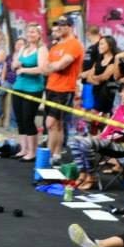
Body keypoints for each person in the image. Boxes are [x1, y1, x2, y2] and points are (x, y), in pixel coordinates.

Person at [68, 83, 124, 190]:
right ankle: (83, 172)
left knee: (86, 143)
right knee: (74, 140)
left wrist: (105, 138)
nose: (121, 94)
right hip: (109, 141)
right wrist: (101, 135)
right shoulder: (120, 107)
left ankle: (91, 176)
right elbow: (110, 124)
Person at [43, 14, 85, 163]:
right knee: (57, 124)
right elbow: (46, 69)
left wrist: (54, 66)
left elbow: (61, 65)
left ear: (70, 26)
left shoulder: (74, 44)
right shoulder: (56, 46)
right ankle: (56, 154)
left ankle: (47, 156)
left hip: (65, 89)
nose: (59, 27)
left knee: (51, 123)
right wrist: (54, 66)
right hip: (51, 87)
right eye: (58, 24)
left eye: (63, 24)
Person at [11, 23, 48, 162]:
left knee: (28, 119)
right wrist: (15, 65)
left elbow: (42, 69)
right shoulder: (23, 48)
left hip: (33, 88)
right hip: (18, 86)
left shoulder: (42, 49)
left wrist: (24, 69)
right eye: (29, 32)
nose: (30, 34)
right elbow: (14, 64)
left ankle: (32, 152)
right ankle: (23, 149)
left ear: (39, 34)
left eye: (33, 32)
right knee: (19, 119)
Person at [80, 34, 118, 120]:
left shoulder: (114, 60)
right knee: (93, 118)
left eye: (102, 44)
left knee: (101, 117)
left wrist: (95, 78)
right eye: (99, 44)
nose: (99, 47)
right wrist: (96, 79)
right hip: (96, 93)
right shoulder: (98, 60)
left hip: (108, 94)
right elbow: (89, 78)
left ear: (110, 45)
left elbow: (105, 76)